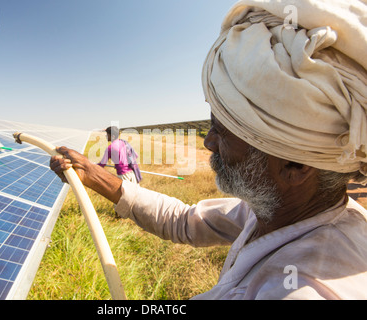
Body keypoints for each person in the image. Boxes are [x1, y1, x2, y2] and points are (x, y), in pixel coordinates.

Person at [50, 0, 367, 299]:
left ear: (295, 165)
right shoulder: (277, 210)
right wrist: (94, 176)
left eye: (224, 132)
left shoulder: (300, 290)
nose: (208, 141)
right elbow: (184, 221)